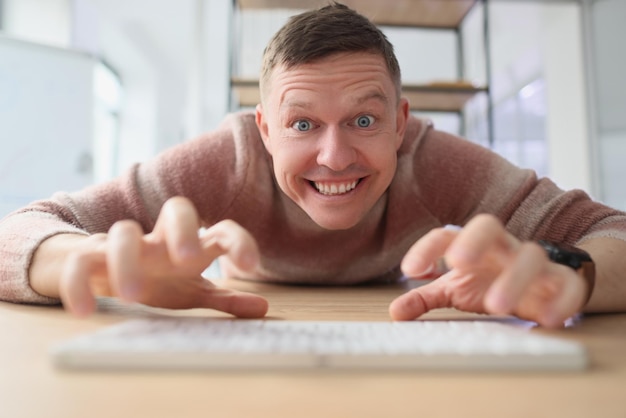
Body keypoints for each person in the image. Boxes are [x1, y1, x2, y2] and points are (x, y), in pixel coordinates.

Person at [1, 2, 625, 328]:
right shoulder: (227, 157)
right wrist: (79, 261)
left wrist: (568, 271)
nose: (334, 156)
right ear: (265, 129)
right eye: (302, 124)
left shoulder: (433, 159)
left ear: (400, 123)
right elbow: (21, 229)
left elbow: (614, 233)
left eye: (363, 120)